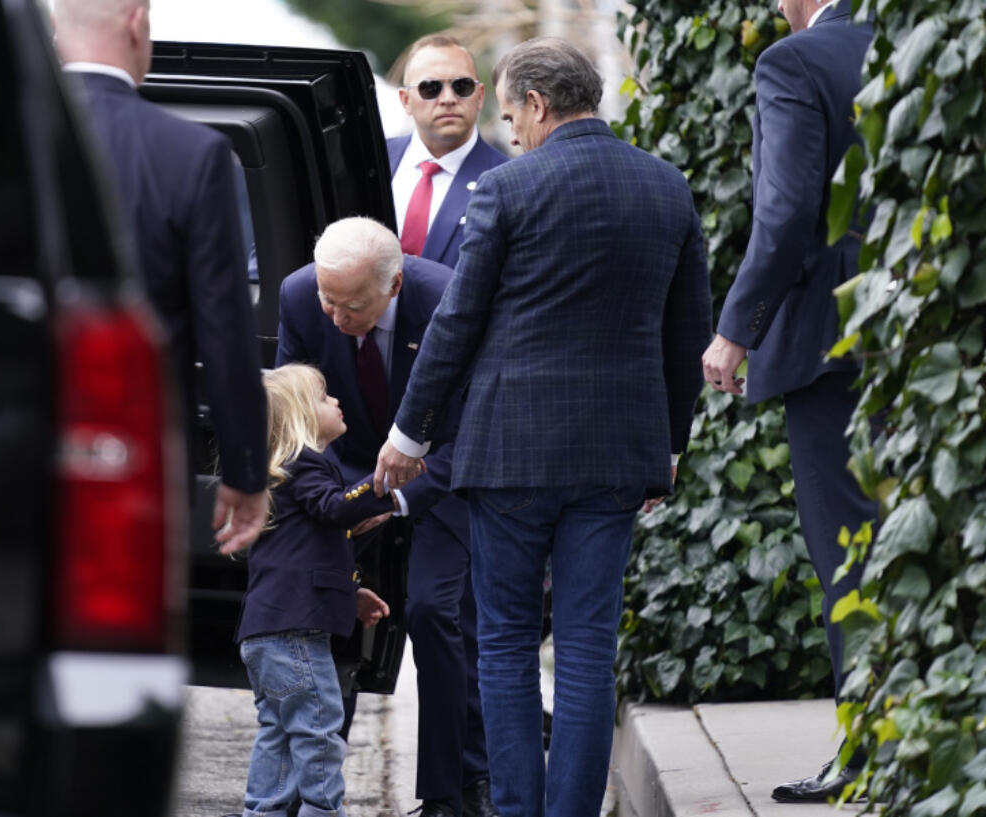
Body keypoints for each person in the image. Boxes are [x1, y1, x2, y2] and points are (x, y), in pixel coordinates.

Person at [375, 37, 712, 817]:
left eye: (509, 111)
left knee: (504, 642)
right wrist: (669, 445)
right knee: (589, 649)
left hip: (511, 455)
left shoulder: (510, 190)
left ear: (535, 104)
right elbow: (687, 328)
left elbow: (456, 324)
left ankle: (518, 809)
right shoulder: (666, 187)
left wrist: (409, 433)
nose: (512, 131)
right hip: (618, 456)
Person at [699, 0, 876, 803]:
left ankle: (870, 750)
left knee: (848, 551)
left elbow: (785, 211)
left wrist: (736, 330)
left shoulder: (794, 62)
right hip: (925, 337)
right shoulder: (900, 41)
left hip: (831, 347)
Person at [276, 217, 494, 817]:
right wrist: (341, 502)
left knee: (437, 613)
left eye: (351, 305)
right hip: (342, 477)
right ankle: (308, 783)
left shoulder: (448, 297)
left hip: (439, 477)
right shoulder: (299, 296)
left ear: (394, 287)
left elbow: (474, 427)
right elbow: (291, 420)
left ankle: (457, 790)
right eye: (327, 299)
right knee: (320, 611)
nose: (334, 317)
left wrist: (396, 499)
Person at [54, 0, 268, 553]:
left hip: (1, 442)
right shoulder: (191, 153)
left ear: (55, 30)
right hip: (133, 457)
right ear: (135, 20)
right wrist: (245, 473)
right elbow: (224, 332)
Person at [234, 364, 397, 817]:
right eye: (325, 398)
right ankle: (325, 810)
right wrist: (382, 483)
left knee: (281, 732)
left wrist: (352, 592)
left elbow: (303, 558)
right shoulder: (305, 464)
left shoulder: (282, 476)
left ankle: (262, 810)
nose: (337, 402)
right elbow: (333, 509)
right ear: (303, 417)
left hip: (266, 632)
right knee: (319, 727)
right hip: (294, 635)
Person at [390, 35, 507, 269]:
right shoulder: (372, 160)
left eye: (461, 86)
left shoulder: (507, 178)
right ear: (405, 100)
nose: (448, 99)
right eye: (430, 88)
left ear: (480, 96)